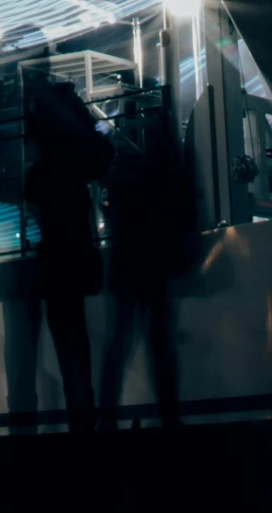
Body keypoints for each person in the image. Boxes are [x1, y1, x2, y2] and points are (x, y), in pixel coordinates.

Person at [0, 28, 110, 436]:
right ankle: (81, 435)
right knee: (69, 344)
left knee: (22, 348)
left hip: (16, 244)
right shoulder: (62, 101)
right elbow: (99, 157)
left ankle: (23, 441)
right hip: (61, 238)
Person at [98, 83, 189, 428]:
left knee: (120, 342)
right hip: (155, 255)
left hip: (127, 257)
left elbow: (110, 201)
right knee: (159, 343)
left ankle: (106, 418)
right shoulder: (165, 148)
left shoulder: (120, 154)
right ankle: (169, 417)